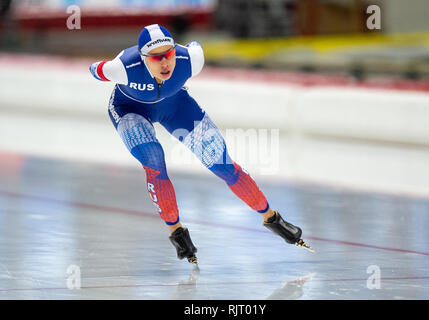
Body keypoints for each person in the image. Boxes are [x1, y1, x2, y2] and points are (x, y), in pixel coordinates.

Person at [89, 24, 312, 264]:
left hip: (176, 106)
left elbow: (195, 46)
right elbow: (94, 69)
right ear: (143, 59)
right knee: (154, 161)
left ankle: (273, 219)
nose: (165, 63)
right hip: (130, 109)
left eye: (169, 55)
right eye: (156, 58)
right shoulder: (123, 67)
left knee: (223, 164)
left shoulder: (191, 59)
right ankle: (177, 232)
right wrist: (103, 67)